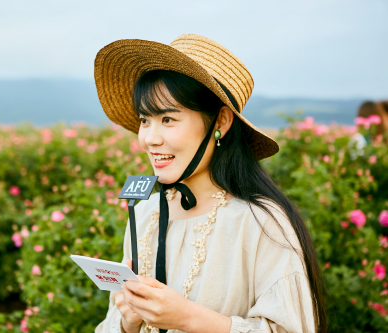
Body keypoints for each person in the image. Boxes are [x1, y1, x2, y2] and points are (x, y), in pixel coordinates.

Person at [93, 34, 326, 333]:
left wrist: (188, 318)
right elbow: (112, 322)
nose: (150, 138)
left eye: (167, 119)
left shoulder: (260, 222)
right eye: (144, 120)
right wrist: (128, 320)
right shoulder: (144, 213)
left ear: (221, 122)